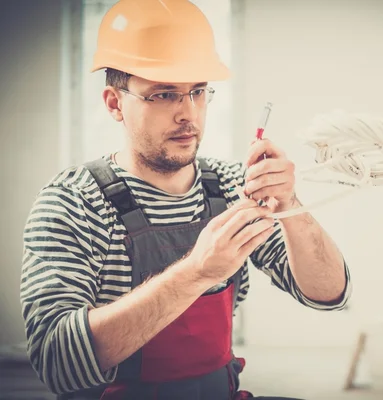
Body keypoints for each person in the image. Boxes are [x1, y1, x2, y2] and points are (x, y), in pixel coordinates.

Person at [19, 0, 352, 399]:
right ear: (114, 103)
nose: (188, 114)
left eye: (198, 91)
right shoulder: (73, 202)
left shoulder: (232, 186)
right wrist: (197, 272)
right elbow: (58, 364)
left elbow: (329, 295)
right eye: (163, 95)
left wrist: (291, 205)